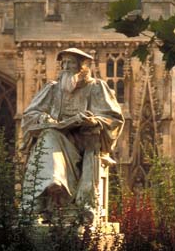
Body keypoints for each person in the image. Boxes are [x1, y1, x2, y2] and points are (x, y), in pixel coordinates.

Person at [20, 48, 124, 223]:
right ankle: (52, 184)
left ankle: (41, 197)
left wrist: (94, 121)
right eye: (64, 63)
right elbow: (29, 115)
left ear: (82, 67)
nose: (67, 67)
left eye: (71, 63)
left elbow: (114, 118)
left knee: (49, 137)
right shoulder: (53, 89)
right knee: (49, 134)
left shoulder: (96, 87)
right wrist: (44, 118)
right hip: (57, 137)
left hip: (84, 142)